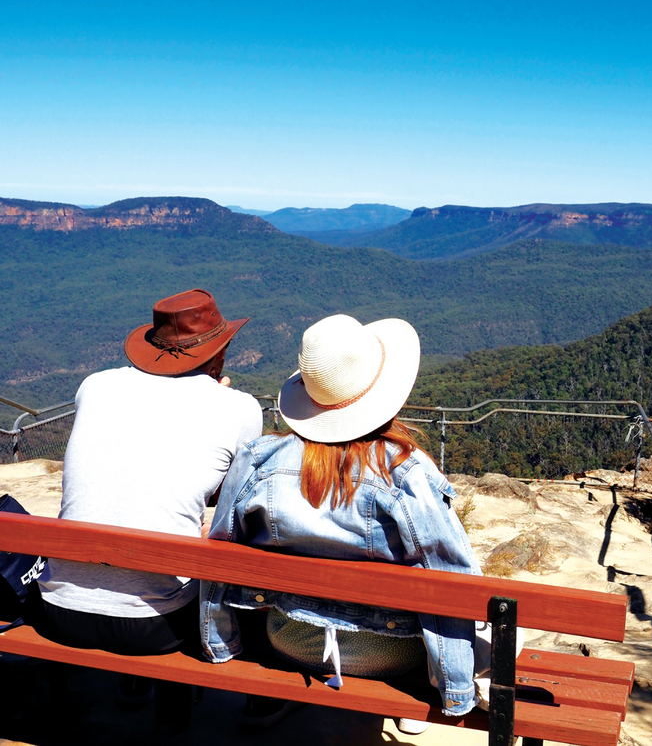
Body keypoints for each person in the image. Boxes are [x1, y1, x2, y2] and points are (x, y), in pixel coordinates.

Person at [200, 313, 482, 730]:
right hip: (391, 653)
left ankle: (267, 700)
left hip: (289, 639)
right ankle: (410, 707)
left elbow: (220, 557)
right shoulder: (404, 472)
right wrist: (454, 691)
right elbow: (453, 581)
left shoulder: (258, 460)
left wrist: (221, 645)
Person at [35, 288, 264, 725]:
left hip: (60, 611)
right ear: (217, 356)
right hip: (157, 627)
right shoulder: (238, 408)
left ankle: (133, 684)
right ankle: (183, 711)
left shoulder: (95, 385)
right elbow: (224, 497)